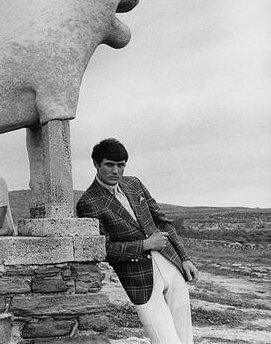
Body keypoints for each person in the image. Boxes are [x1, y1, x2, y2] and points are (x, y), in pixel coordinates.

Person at [76, 138, 198, 344]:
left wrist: (184, 258)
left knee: (185, 338)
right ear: (96, 164)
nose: (116, 170)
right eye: (109, 164)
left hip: (170, 263)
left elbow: (163, 221)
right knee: (166, 340)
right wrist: (145, 245)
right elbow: (104, 250)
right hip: (139, 278)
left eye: (121, 165)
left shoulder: (134, 183)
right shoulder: (88, 203)